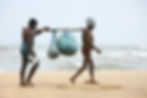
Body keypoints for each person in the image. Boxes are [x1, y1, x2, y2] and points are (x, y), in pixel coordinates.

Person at [56, 18, 101, 84]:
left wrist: (94, 48)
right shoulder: (86, 31)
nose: (94, 26)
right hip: (86, 50)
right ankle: (90, 79)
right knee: (90, 65)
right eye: (94, 25)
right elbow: (88, 42)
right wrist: (96, 49)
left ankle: (75, 78)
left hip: (87, 50)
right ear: (91, 25)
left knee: (86, 66)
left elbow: (76, 30)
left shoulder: (87, 31)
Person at [20, 18, 50, 86]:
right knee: (36, 63)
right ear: (32, 24)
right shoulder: (30, 31)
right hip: (27, 49)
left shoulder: (26, 30)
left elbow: (36, 31)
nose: (35, 26)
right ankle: (28, 80)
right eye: (35, 25)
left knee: (24, 65)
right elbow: (30, 42)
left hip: (23, 48)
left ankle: (22, 81)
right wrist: (31, 51)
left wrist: (44, 29)